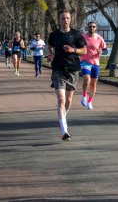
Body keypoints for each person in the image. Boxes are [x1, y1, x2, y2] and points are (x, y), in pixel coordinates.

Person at [47, 9, 87, 141]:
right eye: (63, 18)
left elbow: (84, 50)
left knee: (69, 101)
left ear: (70, 20)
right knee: (61, 100)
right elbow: (50, 46)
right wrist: (51, 54)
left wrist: (73, 50)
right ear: (59, 20)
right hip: (58, 69)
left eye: (67, 18)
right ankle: (64, 129)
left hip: (73, 70)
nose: (65, 20)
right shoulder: (54, 35)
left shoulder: (76, 34)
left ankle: (62, 117)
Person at [80, 21, 108, 110]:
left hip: (96, 63)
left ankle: (89, 102)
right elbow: (78, 46)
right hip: (85, 61)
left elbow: (105, 50)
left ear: (96, 28)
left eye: (93, 26)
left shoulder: (99, 38)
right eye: (90, 26)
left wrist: (102, 52)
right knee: (87, 80)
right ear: (87, 28)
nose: (91, 28)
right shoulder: (83, 37)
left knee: (93, 84)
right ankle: (84, 96)